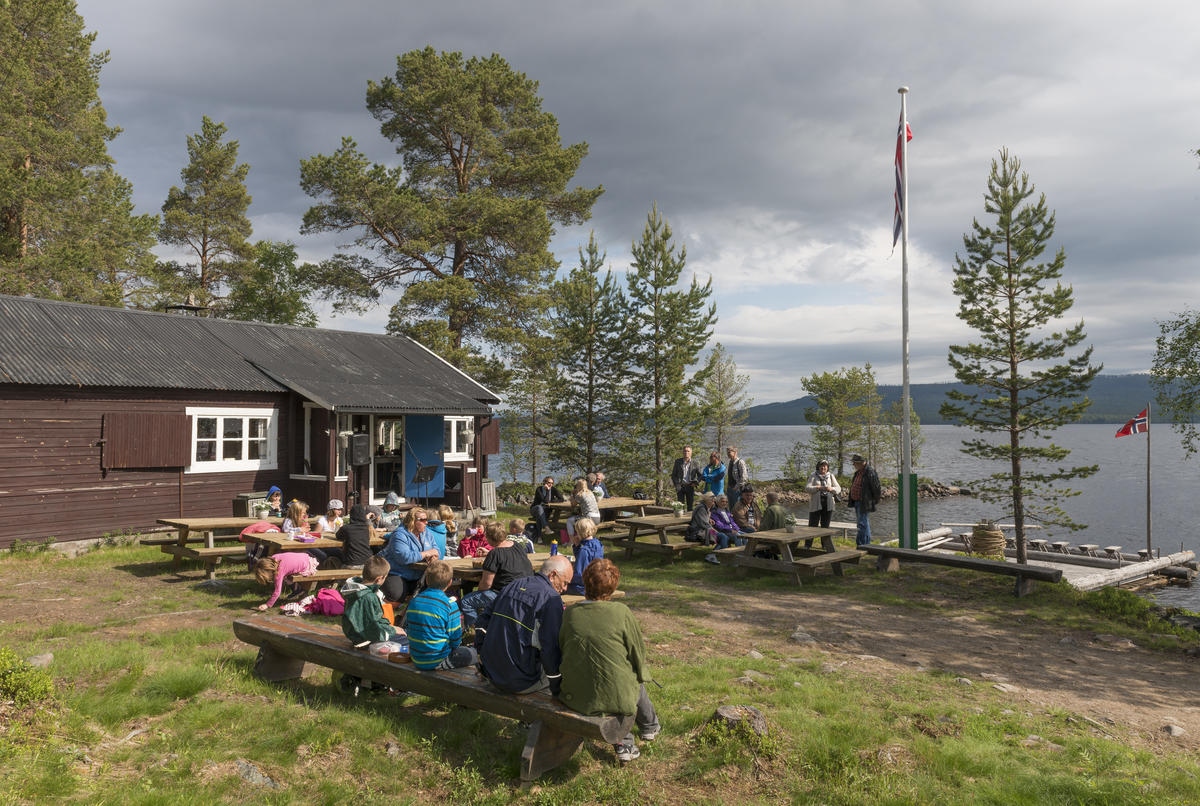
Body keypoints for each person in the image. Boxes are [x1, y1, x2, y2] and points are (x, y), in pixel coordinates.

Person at [558, 559, 661, 764]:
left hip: (576, 691)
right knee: (629, 681)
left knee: (617, 679)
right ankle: (643, 731)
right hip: (611, 691)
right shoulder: (621, 612)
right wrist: (640, 671)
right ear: (613, 587)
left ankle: (644, 730)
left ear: (585, 582)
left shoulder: (570, 613)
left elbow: (562, 645)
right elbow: (637, 650)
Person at [475, 555, 572, 694]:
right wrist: (557, 687)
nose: (565, 588)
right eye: (565, 583)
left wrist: (481, 654)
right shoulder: (552, 599)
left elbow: (482, 621)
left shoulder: (513, 584)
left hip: (492, 673)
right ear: (553, 575)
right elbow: (550, 649)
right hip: (520, 681)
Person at [459, 521, 534, 627]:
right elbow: (506, 555)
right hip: (525, 590)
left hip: (505, 594)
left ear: (489, 538)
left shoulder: (495, 554)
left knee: (466, 601)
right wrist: (489, 553)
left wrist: (479, 590)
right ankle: (490, 625)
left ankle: (478, 629)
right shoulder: (517, 546)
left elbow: (486, 584)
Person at [405, 559, 476, 670]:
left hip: (416, 658)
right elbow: (455, 639)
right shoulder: (450, 605)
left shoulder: (414, 601)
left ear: (427, 580)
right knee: (473, 653)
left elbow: (410, 628)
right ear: (450, 582)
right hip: (438, 660)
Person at [378, 507, 440, 602]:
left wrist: (434, 557)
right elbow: (404, 557)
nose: (426, 522)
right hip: (397, 573)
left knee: (435, 587)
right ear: (413, 521)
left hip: (419, 574)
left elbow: (436, 549)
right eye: (423, 520)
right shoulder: (399, 534)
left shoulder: (427, 533)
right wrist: (426, 553)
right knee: (396, 594)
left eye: (426, 519)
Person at [341, 555, 400, 647]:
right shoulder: (368, 597)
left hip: (354, 634)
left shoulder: (355, 589)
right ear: (379, 579)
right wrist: (392, 630)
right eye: (385, 577)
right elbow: (372, 627)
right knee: (404, 640)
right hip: (365, 639)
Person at [254, 551, 320, 610]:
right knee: (286, 575)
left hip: (308, 565)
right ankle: (297, 590)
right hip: (306, 557)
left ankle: (299, 591)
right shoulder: (274, 557)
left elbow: (277, 592)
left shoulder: (279, 573)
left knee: (285, 577)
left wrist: (267, 605)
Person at [848, 454, 882, 547]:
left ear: (862, 463)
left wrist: (874, 501)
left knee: (863, 524)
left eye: (855, 463)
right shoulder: (859, 472)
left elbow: (876, 488)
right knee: (862, 524)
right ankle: (863, 544)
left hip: (863, 502)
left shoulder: (870, 472)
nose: (853, 464)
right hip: (857, 502)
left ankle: (863, 545)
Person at [567, 517, 604, 595]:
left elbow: (579, 574)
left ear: (580, 532)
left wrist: (568, 579)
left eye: (577, 532)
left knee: (559, 587)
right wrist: (577, 546)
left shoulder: (584, 550)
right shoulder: (598, 544)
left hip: (585, 587)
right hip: (597, 582)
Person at [334, 503, 375, 567]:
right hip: (367, 563)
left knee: (335, 558)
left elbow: (338, 536)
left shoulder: (346, 528)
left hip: (352, 563)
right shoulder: (367, 528)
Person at [805, 460, 841, 530]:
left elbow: (838, 489)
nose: (823, 467)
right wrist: (818, 488)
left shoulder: (831, 476)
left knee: (825, 527)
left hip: (828, 504)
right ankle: (811, 538)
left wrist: (831, 489)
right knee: (812, 526)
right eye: (821, 466)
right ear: (818, 467)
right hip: (815, 504)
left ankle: (825, 538)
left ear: (827, 467)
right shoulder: (813, 475)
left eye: (825, 466)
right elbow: (807, 488)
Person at [671, 446, 702, 510]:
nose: (686, 452)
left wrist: (696, 483)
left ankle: (689, 517)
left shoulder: (695, 463)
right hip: (680, 487)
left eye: (688, 451)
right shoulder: (678, 462)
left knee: (690, 507)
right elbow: (673, 475)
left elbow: (700, 475)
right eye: (685, 451)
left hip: (690, 486)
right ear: (683, 452)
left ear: (691, 452)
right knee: (680, 507)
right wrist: (677, 485)